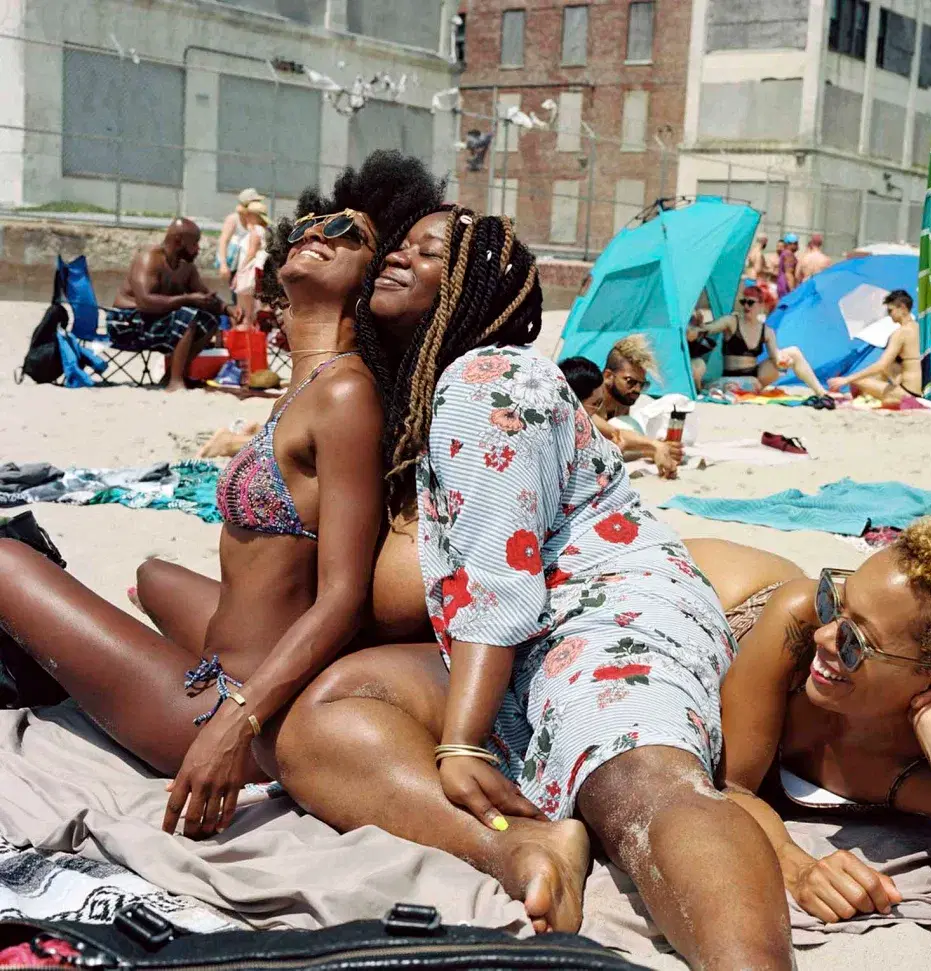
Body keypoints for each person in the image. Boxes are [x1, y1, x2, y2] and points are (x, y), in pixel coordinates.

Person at [267, 206, 794, 969]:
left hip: (604, 613)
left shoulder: (489, 378)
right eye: (400, 244)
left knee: (638, 786)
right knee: (321, 721)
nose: (400, 257)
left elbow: (501, 580)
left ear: (479, 287)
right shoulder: (427, 399)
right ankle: (526, 843)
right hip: (509, 649)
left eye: (431, 251)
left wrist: (458, 739)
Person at [0, 151, 445, 841]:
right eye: (313, 221)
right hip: (223, 664)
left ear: (373, 279)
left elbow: (342, 597)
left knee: (5, 561)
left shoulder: (347, 394)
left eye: (347, 232)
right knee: (150, 573)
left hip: (225, 704)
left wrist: (234, 726)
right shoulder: (307, 388)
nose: (315, 232)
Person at [684, 513, 931, 952]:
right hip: (688, 581)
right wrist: (794, 863)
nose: (825, 634)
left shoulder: (930, 770)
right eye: (835, 600)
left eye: (853, 643)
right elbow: (728, 785)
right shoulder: (798, 622)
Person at [108, 218, 239, 392]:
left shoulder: (187, 268)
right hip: (127, 323)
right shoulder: (149, 259)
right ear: (178, 241)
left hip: (157, 321)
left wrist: (228, 310)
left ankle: (174, 374)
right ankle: (175, 382)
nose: (198, 249)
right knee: (187, 314)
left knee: (210, 320)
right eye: (194, 244)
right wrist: (187, 299)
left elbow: (205, 297)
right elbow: (145, 302)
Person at [559, 356, 682, 478]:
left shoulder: (620, 403)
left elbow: (616, 440)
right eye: (630, 381)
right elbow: (616, 435)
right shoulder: (582, 410)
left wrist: (653, 450)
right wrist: (655, 446)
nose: (637, 390)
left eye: (642, 384)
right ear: (607, 376)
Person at [829, 289, 923, 404]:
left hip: (907, 392)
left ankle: (865, 399)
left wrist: (846, 379)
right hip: (919, 390)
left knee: (856, 381)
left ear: (902, 308)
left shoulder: (900, 334)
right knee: (889, 366)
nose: (889, 315)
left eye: (890, 310)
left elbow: (880, 364)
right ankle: (876, 396)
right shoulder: (920, 328)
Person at [216, 188, 263, 290]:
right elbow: (223, 241)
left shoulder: (257, 219)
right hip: (236, 264)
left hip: (252, 264)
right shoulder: (233, 219)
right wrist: (223, 264)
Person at [232, 199, 270, 324]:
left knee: (245, 313)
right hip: (257, 274)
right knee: (254, 311)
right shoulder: (263, 231)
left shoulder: (255, 232)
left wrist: (239, 272)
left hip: (249, 274)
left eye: (249, 214)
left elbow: (251, 253)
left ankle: (244, 340)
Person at [777, 233, 799, 297]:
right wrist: (792, 290)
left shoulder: (785, 253)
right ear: (791, 244)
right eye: (796, 243)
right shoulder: (788, 254)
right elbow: (789, 273)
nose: (797, 246)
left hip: (782, 284)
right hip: (786, 286)